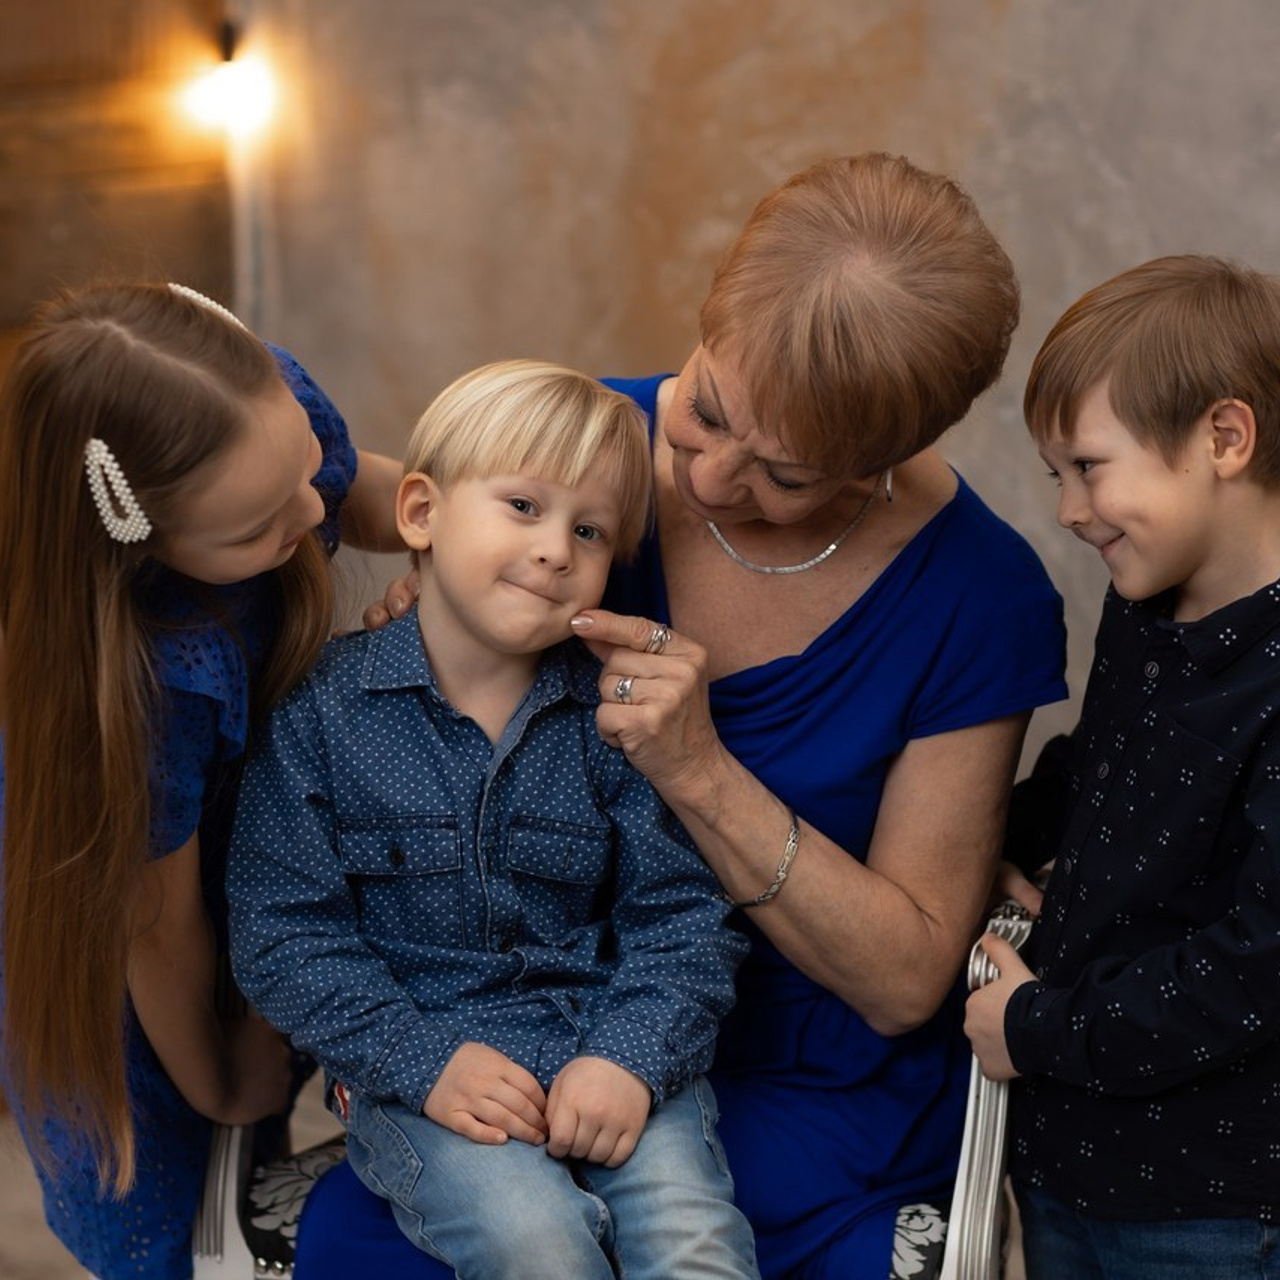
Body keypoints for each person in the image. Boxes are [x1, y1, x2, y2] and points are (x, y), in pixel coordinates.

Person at [298, 151, 1067, 1280]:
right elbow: (385, 539)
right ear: (707, 315)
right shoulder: (572, 461)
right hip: (525, 1014)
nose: (705, 479)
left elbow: (904, 976)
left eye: (786, 474)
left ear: (880, 461)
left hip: (803, 1073)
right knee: (396, 1238)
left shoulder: (976, 595)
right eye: (706, 409)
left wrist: (697, 767)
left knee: (685, 1231)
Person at [228, 359, 758, 1280]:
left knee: (694, 1243)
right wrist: (423, 1059)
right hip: (422, 1074)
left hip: (604, 1042)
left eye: (588, 530)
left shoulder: (613, 719)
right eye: (523, 506)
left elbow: (682, 915)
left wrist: (629, 1059)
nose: (556, 548)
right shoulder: (319, 716)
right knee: (535, 1238)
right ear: (422, 513)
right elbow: (283, 937)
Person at [0, 280, 405, 1279]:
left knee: (257, 1129)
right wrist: (218, 1076)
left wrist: (488, 554)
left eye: (303, 472)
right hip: (118, 932)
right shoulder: (151, 682)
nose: (313, 513)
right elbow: (156, 923)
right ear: (140, 548)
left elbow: (367, 487)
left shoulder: (258, 417)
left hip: (221, 851)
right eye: (264, 526)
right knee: (166, 1202)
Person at [965, 254, 1280, 1278]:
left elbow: (1255, 964)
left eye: (1088, 467)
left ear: (1222, 439)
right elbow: (1095, 770)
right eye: (1056, 476)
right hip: (1068, 1160)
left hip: (1217, 1201)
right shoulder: (1146, 606)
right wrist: (973, 849)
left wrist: (1038, 1026)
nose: (1066, 510)